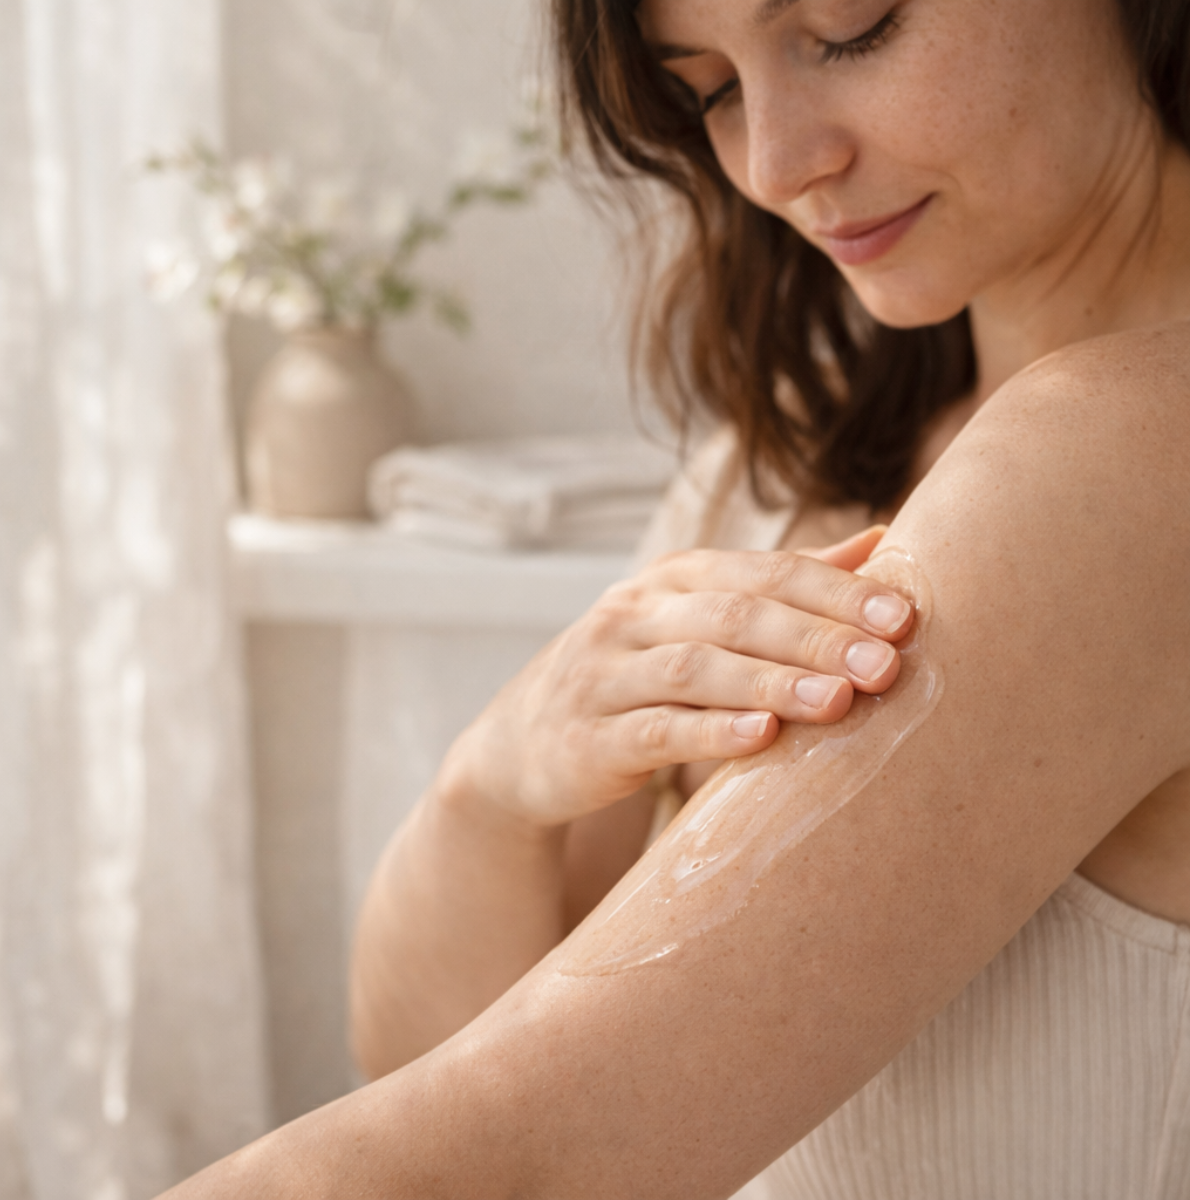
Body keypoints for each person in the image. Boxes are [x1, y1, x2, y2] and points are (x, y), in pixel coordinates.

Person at [162, 0, 1190, 1195]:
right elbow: (420, 1066)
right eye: (708, 88)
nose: (777, 161)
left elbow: (501, 1157)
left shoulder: (1133, 463)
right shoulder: (784, 464)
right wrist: (490, 786)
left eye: (852, 30)